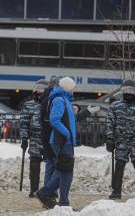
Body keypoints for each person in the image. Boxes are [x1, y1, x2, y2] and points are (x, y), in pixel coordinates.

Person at [105, 79, 135, 200]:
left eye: (131, 90)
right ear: (122, 91)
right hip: (121, 140)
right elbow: (110, 122)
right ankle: (116, 191)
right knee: (119, 165)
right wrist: (110, 138)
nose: (128, 93)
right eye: (125, 90)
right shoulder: (116, 106)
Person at [36, 77, 77, 209]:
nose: (74, 90)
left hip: (65, 141)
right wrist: (67, 134)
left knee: (62, 172)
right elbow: (54, 120)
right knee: (66, 174)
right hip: (62, 141)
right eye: (72, 88)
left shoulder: (64, 99)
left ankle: (45, 194)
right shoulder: (59, 99)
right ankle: (63, 202)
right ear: (67, 88)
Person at [20, 79, 49, 198]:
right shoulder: (29, 105)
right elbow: (24, 123)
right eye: (38, 92)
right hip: (35, 139)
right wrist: (24, 138)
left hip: (48, 139)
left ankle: (49, 190)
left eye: (42, 92)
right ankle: (34, 190)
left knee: (51, 165)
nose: (40, 94)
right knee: (34, 163)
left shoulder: (51, 103)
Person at [40, 76, 60, 195]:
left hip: (45, 135)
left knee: (50, 165)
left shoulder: (45, 98)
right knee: (56, 165)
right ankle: (49, 192)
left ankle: (47, 191)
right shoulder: (53, 99)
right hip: (52, 136)